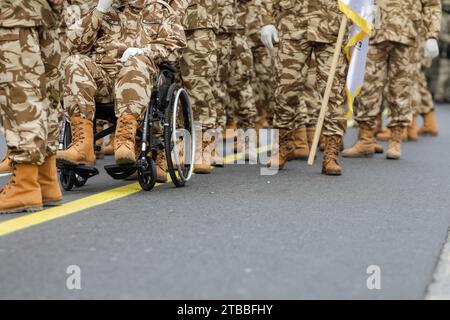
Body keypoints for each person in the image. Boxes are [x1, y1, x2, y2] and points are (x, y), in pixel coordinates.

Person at [56, 0, 187, 183]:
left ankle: (125, 140)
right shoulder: (101, 7)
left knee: (136, 63)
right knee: (74, 62)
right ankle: (82, 144)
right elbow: (72, 45)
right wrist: (100, 11)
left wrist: (144, 51)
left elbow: (177, 44)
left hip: (138, 81)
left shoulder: (157, 8)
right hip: (102, 77)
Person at [343, 0, 441, 160]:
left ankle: (396, 140)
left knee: (401, 89)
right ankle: (365, 139)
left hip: (407, 34)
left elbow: (432, 4)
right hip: (374, 32)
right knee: (368, 88)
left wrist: (432, 35)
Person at [261, 0, 349, 175]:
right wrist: (267, 21)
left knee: (333, 93)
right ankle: (282, 147)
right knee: (286, 92)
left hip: (332, 26)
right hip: (293, 24)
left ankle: (331, 154)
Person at [0, 0, 64, 214]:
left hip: (14, 11)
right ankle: (46, 180)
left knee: (18, 92)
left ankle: (25, 185)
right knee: (45, 93)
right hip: (44, 12)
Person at [179, 0, 219, 174]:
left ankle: (204, 146)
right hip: (158, 16)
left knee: (198, 83)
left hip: (197, 20)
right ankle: (175, 144)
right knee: (164, 85)